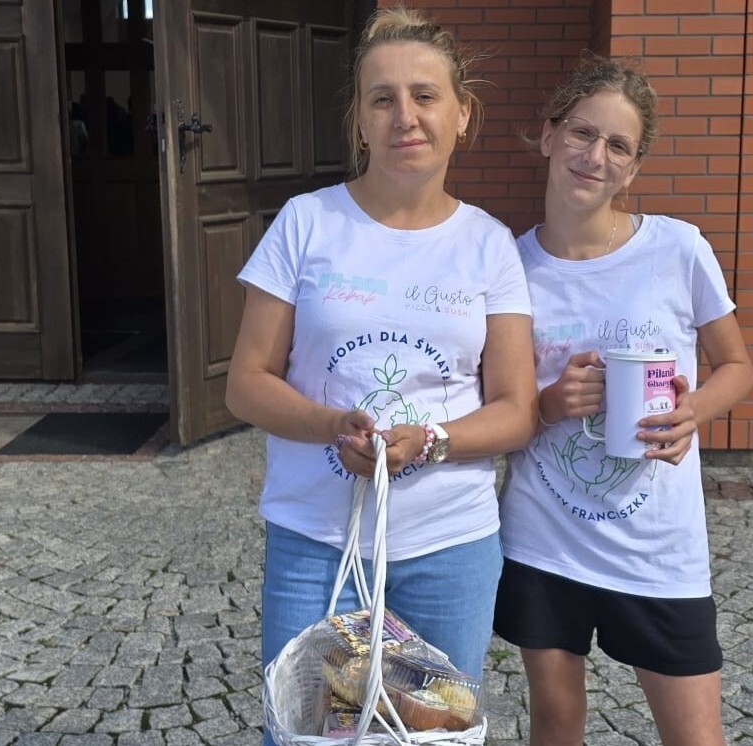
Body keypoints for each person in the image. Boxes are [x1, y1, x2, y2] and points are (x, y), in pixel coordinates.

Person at [224, 6, 537, 743]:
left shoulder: (488, 245)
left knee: (431, 735)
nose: (406, 117)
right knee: (307, 732)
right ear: (359, 121)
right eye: (383, 99)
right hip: (315, 538)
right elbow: (247, 381)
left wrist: (429, 439)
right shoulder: (306, 222)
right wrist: (329, 424)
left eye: (425, 96)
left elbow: (517, 408)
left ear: (462, 113)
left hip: (448, 546)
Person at [493, 53, 753, 746]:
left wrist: (694, 412)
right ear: (548, 135)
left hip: (658, 547)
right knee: (556, 722)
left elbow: (736, 367)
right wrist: (551, 403)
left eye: (618, 145)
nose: (595, 157)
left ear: (634, 168)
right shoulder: (507, 268)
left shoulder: (677, 248)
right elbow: (499, 404)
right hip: (544, 539)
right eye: (582, 133)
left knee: (695, 736)